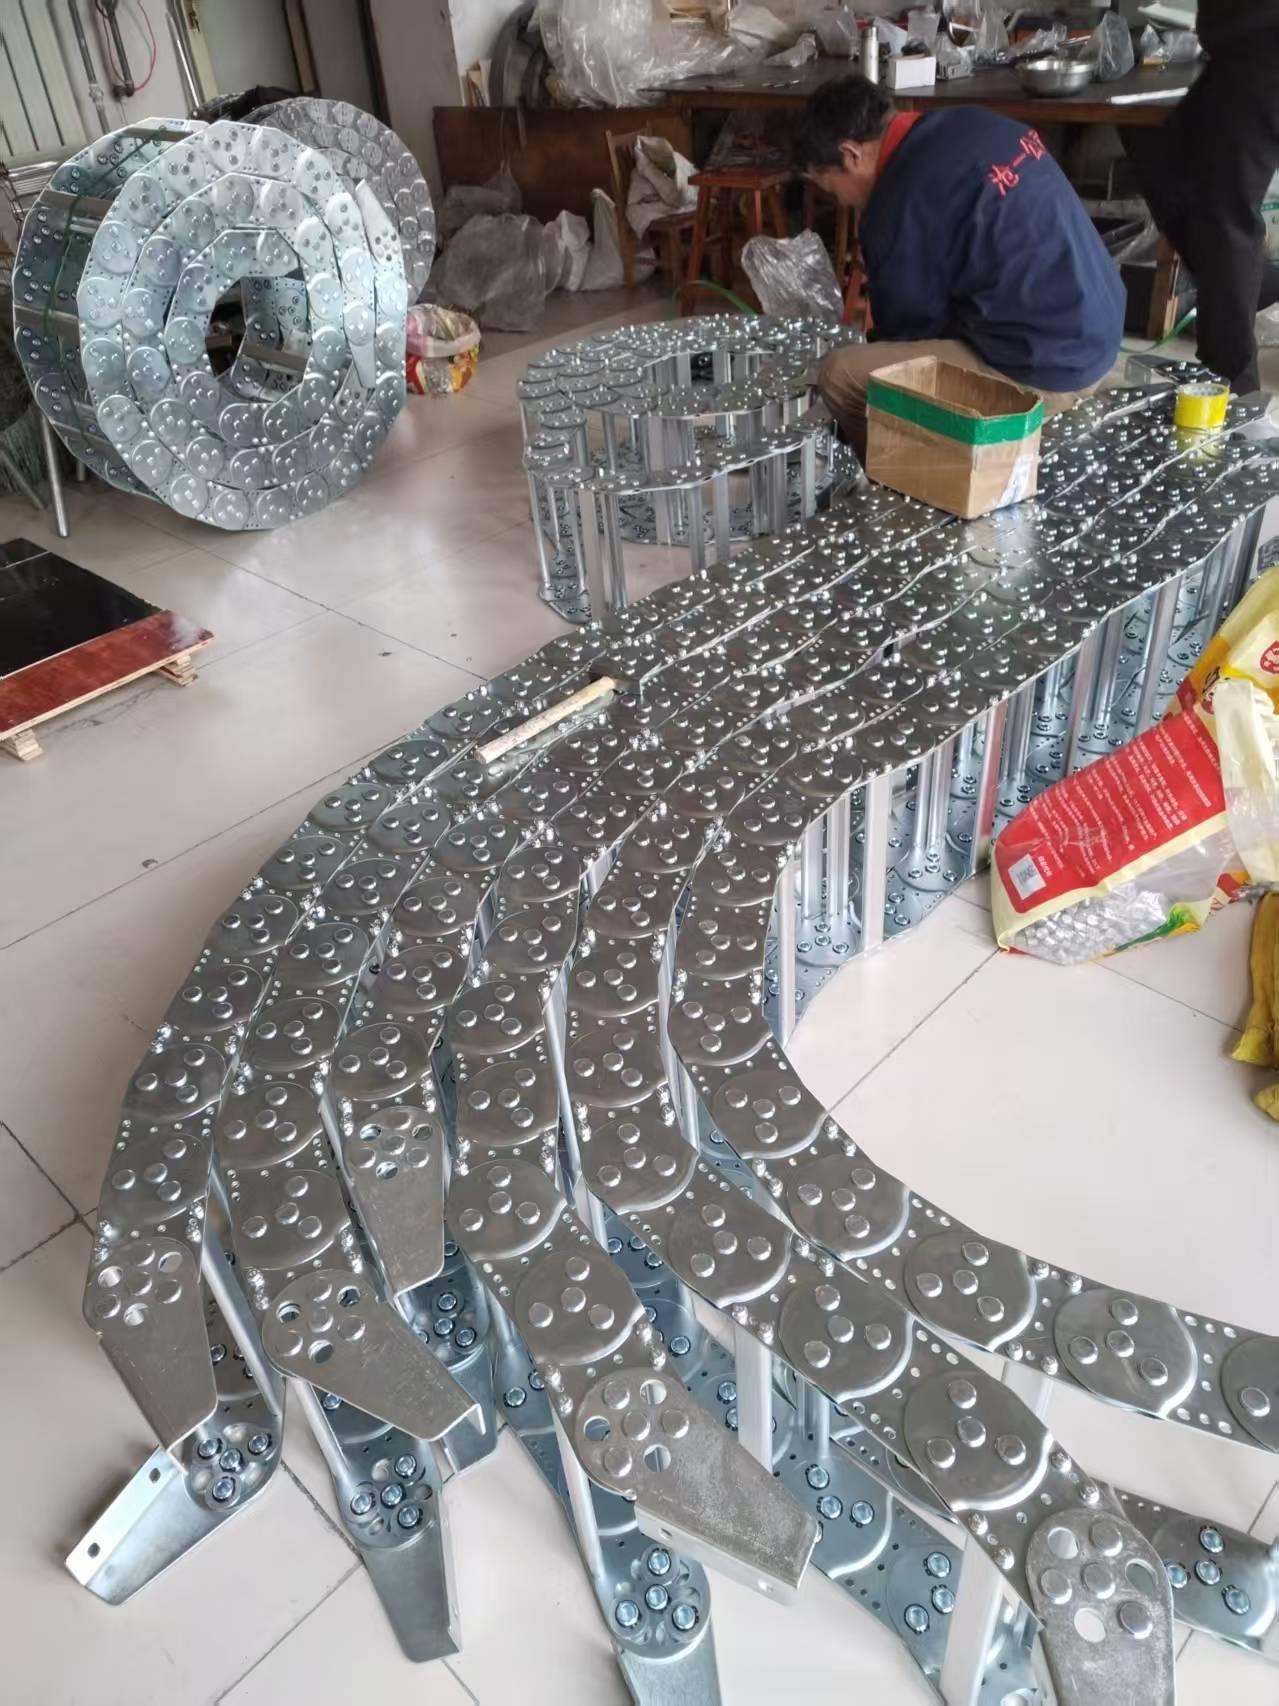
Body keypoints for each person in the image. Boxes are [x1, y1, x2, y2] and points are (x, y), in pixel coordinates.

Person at [792, 75, 1126, 451]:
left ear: (852, 155)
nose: (839, 201)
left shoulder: (896, 207)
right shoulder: (969, 122)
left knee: (841, 375)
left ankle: (902, 474)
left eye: (829, 186)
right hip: (1101, 329)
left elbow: (908, 341)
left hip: (1051, 368)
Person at [1122, 0, 1279, 396]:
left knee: (1224, 218)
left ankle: (1233, 387)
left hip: (1262, 44)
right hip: (1238, 47)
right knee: (1164, 162)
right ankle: (1246, 287)